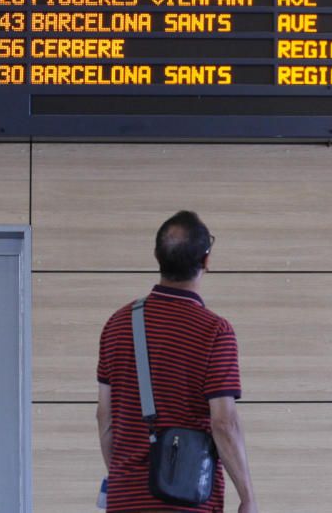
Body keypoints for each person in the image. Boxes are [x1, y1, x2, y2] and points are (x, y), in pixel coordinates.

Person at [96, 210, 258, 513]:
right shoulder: (214, 331)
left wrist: (124, 478)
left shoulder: (116, 325)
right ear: (206, 262)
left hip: (124, 501)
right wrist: (247, 497)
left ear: (157, 256)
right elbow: (224, 423)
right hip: (187, 500)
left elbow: (104, 418)